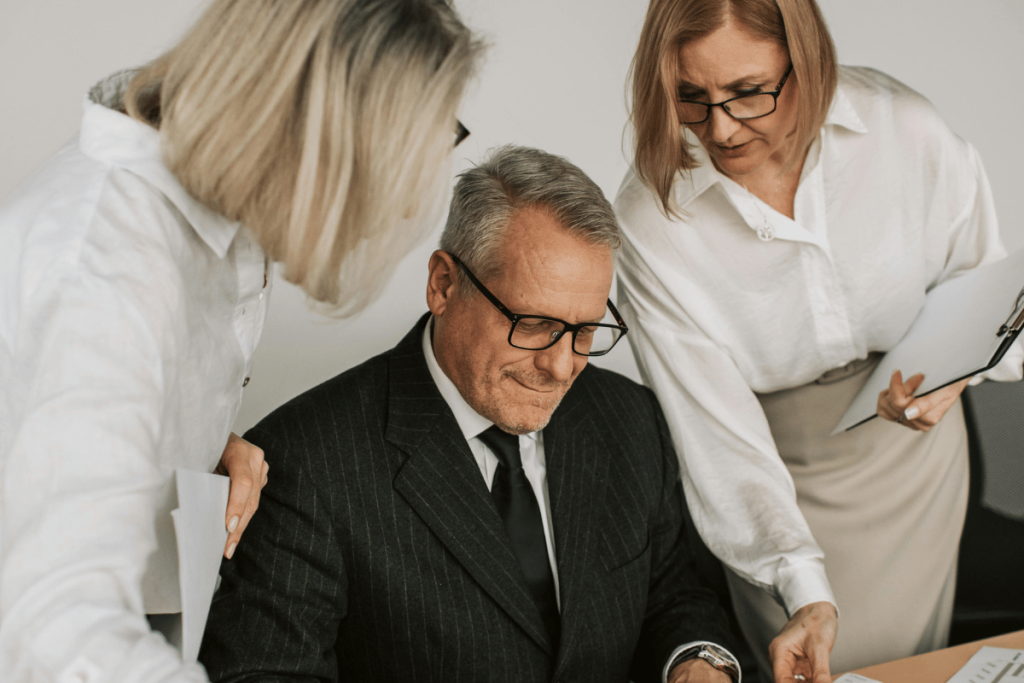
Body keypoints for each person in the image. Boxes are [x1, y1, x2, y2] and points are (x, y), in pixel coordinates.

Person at [0, 1, 480, 681]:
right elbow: (56, 633)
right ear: (313, 133)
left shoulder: (204, 219)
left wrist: (175, 435)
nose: (389, 210)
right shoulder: (106, 272)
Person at [198, 145, 741, 683]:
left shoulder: (629, 418)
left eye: (585, 331)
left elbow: (673, 590)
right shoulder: (306, 464)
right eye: (533, 324)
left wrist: (697, 660)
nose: (560, 366)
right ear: (443, 284)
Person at [614, 0, 1024, 681]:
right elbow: (718, 439)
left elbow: (993, 300)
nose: (718, 127)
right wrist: (802, 584)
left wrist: (956, 375)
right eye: (689, 98)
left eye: (747, 93)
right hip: (774, 474)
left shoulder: (905, 129)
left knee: (925, 664)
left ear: (806, 62)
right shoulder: (650, 220)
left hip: (916, 458)